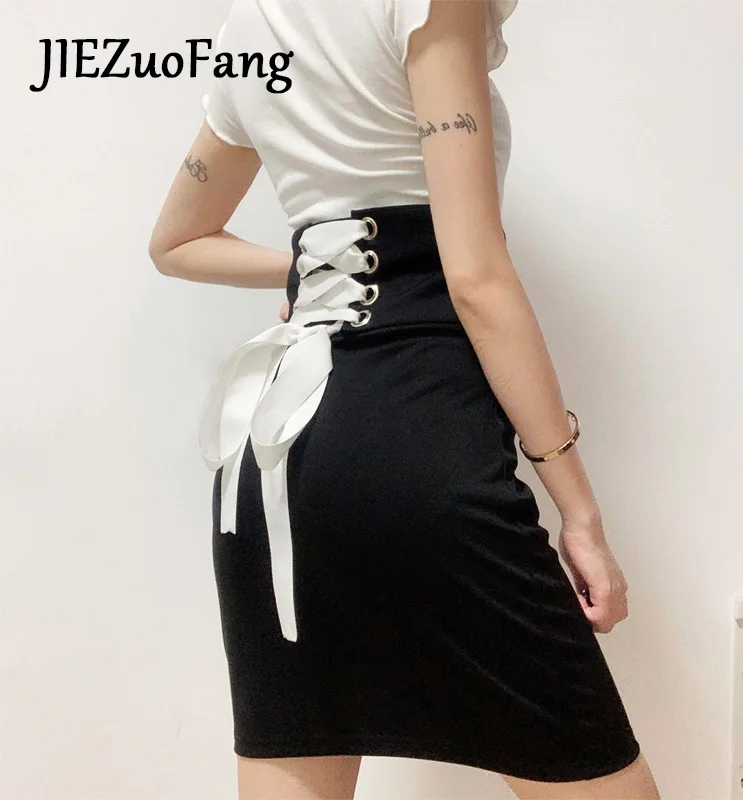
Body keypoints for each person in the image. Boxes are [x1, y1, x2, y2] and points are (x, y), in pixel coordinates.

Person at [148, 1, 661, 798]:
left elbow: (175, 242)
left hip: (275, 462)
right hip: (413, 438)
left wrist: (321, 267)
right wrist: (580, 516)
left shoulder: (250, 26)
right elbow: (476, 277)